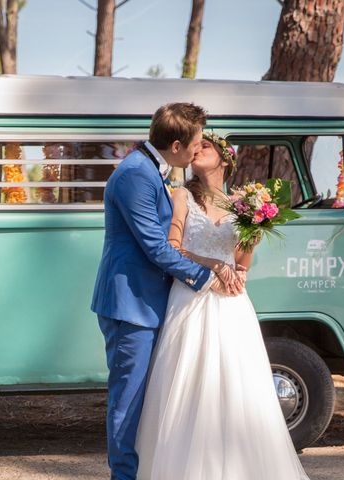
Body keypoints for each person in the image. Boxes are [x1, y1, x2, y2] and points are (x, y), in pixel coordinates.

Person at [134, 131, 311, 480]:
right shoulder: (181, 195)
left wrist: (244, 262)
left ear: (225, 159)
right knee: (187, 382)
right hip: (190, 299)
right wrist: (214, 266)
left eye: (205, 146)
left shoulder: (243, 205)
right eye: (195, 145)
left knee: (236, 386)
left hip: (231, 305)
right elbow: (172, 248)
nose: (196, 149)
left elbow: (243, 260)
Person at [91, 104, 246, 480]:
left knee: (155, 398)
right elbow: (155, 246)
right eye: (194, 144)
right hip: (131, 304)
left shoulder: (152, 170)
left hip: (156, 302)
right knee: (128, 400)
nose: (197, 150)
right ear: (176, 145)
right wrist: (207, 277)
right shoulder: (135, 175)